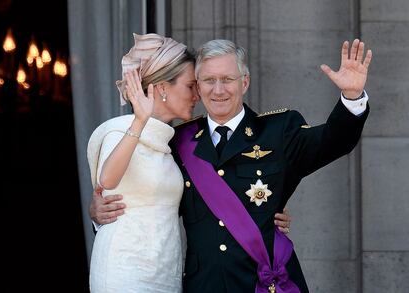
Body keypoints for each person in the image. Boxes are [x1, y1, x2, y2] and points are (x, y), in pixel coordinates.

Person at [91, 37, 372, 292]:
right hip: (204, 286)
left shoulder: (279, 130)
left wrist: (352, 97)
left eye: (227, 79)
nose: (218, 90)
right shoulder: (178, 142)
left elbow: (333, 141)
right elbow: (153, 199)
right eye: (208, 80)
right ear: (198, 88)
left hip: (264, 283)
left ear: (245, 82)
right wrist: (99, 212)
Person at [87, 33, 200, 292]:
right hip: (123, 270)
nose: (198, 95)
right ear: (161, 87)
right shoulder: (119, 132)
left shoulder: (172, 143)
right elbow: (108, 180)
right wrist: (139, 121)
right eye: (190, 86)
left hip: (164, 270)